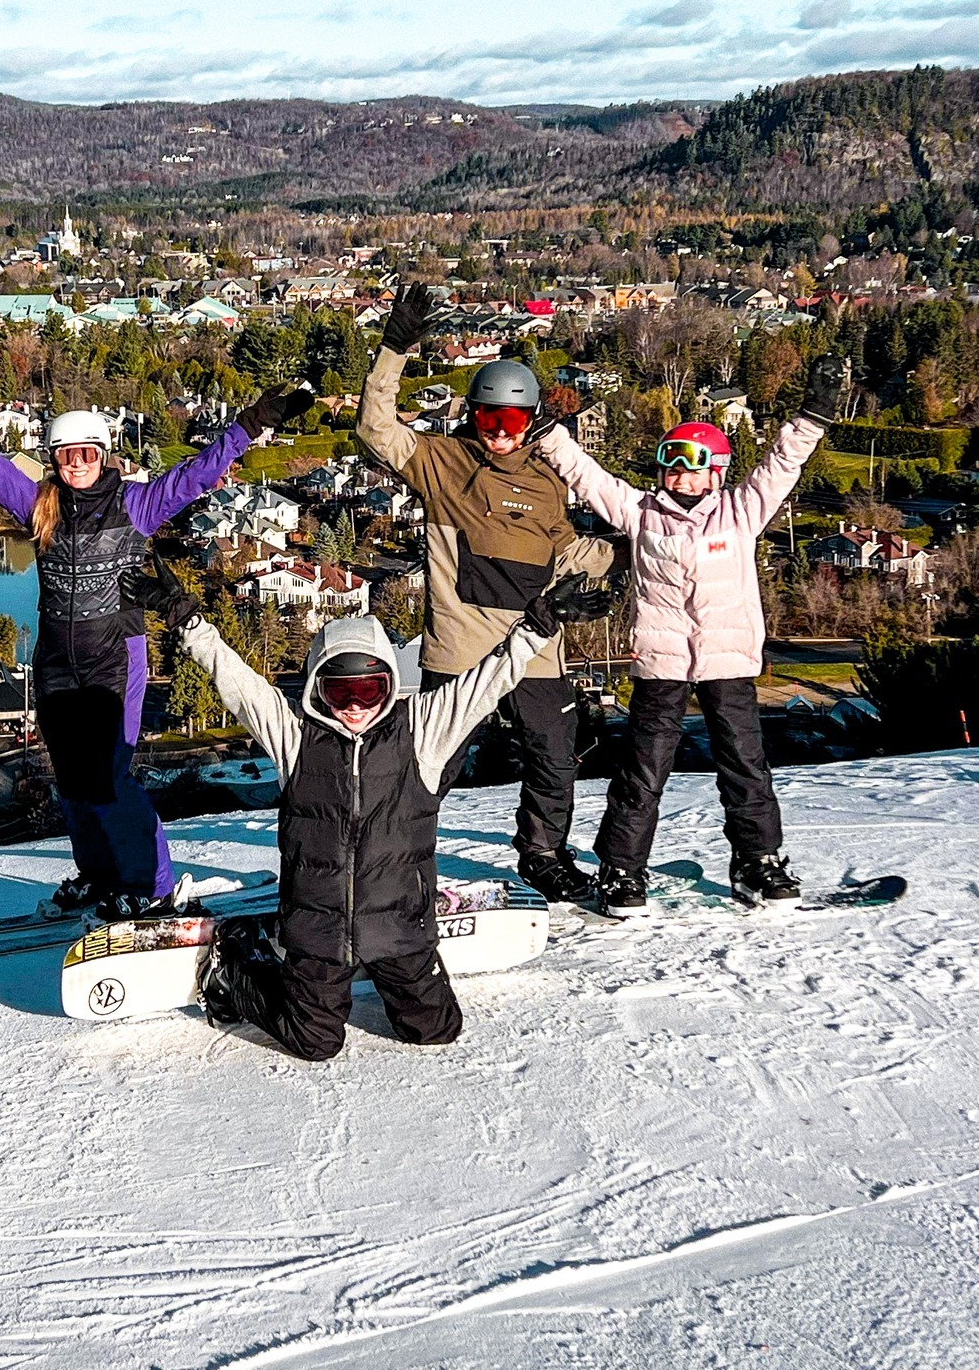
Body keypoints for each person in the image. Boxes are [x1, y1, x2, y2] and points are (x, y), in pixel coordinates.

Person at [0, 370, 313, 917]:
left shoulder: (136, 506)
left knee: (112, 777)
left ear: (103, 454)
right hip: (55, 662)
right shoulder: (38, 506)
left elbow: (195, 476)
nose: (74, 464)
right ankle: (100, 875)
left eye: (85, 454)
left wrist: (249, 426)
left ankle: (152, 884)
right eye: (64, 455)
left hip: (113, 659)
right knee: (74, 782)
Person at [124, 557, 606, 1061]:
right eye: (339, 691)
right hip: (318, 933)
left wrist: (539, 623)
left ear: (389, 685)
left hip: (400, 928)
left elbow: (490, 678)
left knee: (437, 1029)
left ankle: (378, 973)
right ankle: (237, 968)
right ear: (316, 689)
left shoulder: (422, 730)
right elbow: (239, 683)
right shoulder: (296, 739)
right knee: (315, 1043)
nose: (354, 706)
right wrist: (186, 619)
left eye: (368, 690)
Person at [533, 357, 843, 914]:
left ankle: (758, 862)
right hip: (662, 661)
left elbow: (782, 464)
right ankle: (622, 869)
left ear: (716, 473)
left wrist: (813, 415)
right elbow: (586, 475)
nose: (680, 478)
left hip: (728, 661)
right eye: (672, 469)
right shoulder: (641, 513)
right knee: (644, 770)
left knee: (744, 763)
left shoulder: (741, 513)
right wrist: (549, 435)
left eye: (692, 469)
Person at [357, 283, 620, 903]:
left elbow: (568, 551)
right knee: (431, 764)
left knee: (555, 759)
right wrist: (395, 346)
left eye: (514, 420)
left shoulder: (549, 481)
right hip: (461, 649)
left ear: (531, 424)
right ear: (471, 416)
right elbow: (375, 429)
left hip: (535, 647)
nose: (499, 432)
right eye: (488, 418)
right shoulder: (441, 463)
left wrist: (631, 552)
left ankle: (543, 856)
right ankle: (388, 858)